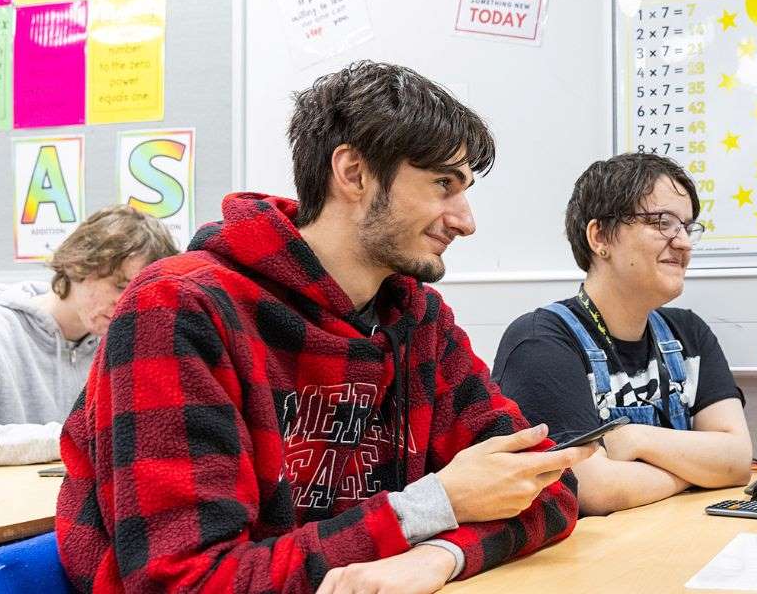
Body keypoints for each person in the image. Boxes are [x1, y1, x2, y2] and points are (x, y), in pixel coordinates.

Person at [57, 61, 592, 593]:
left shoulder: (417, 317)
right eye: (442, 185)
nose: (466, 220)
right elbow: (188, 582)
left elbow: (547, 482)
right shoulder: (178, 308)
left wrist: (438, 557)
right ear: (353, 173)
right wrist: (433, 507)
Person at [492, 153, 752, 516]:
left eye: (687, 227)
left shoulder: (689, 335)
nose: (684, 244)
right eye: (662, 222)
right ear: (600, 237)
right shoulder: (541, 342)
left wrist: (634, 438)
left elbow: (737, 460)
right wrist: (695, 472)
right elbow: (592, 489)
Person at [0, 205, 177, 465]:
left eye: (138, 292)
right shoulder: (3, 332)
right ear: (76, 265)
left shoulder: (123, 342)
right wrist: (79, 437)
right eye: (119, 286)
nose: (126, 303)